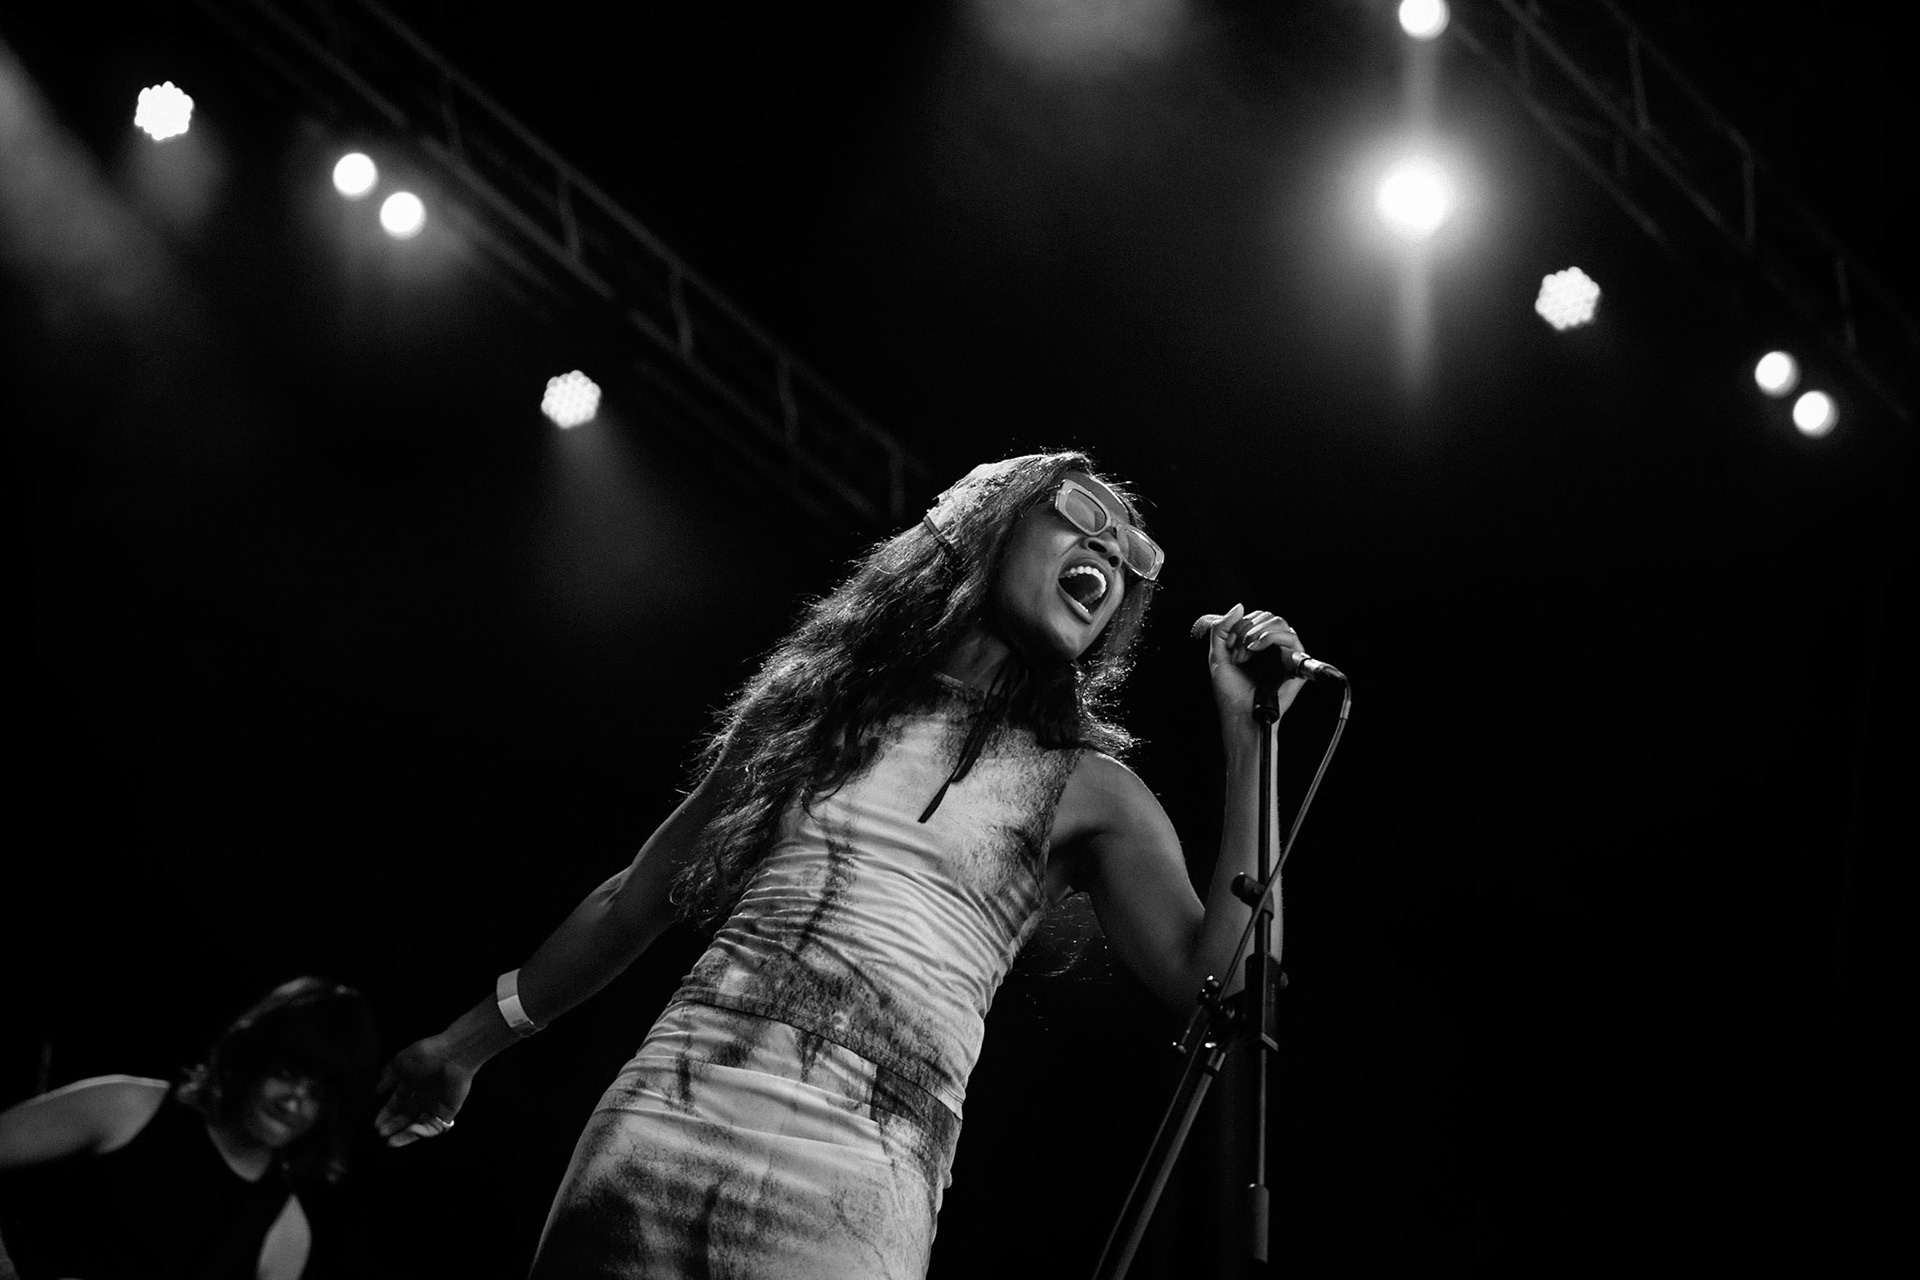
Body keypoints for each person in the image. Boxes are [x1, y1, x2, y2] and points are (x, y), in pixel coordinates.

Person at [375, 451, 1309, 1278]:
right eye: (1084, 517)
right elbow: (636, 898)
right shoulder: (816, 708)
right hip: (665, 1128)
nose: (1110, 555)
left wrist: (1251, 736)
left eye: (1132, 558)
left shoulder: (1091, 791)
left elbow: (1221, 984)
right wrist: (464, 1046)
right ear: (980, 525)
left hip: (861, 1193)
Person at [0, 977, 379, 1280]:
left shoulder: (286, 1234)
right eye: (287, 1073)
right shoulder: (127, 1107)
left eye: (315, 1093)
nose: (293, 1100)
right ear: (251, 1057)